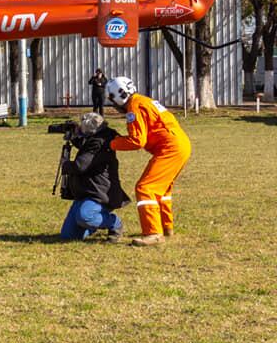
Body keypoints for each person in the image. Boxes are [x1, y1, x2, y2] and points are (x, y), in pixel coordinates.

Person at [106, 76, 192, 246]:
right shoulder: (144, 101)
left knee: (145, 187)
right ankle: (166, 228)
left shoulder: (134, 108)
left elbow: (137, 141)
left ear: (118, 96)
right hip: (180, 144)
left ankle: (153, 232)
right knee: (162, 190)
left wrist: (112, 143)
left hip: (170, 148)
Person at [59, 112, 130, 241]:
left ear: (90, 130)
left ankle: (115, 223)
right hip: (85, 191)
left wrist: (66, 165)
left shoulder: (99, 143)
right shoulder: (99, 137)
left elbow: (80, 166)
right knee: (68, 236)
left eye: (82, 128)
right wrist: (74, 137)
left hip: (99, 192)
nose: (80, 129)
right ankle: (92, 224)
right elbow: (86, 146)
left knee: (85, 217)